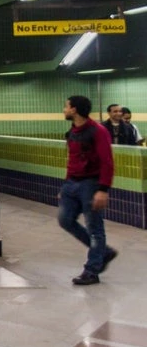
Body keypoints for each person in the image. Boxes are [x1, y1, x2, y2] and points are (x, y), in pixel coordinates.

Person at [59, 95, 118, 285]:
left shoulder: (97, 131)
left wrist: (103, 189)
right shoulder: (73, 131)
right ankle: (104, 252)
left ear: (74, 109)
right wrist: (66, 185)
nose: (64, 110)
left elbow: (107, 162)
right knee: (65, 220)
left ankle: (92, 270)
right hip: (72, 184)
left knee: (95, 229)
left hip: (90, 185)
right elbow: (73, 160)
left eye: (66, 107)